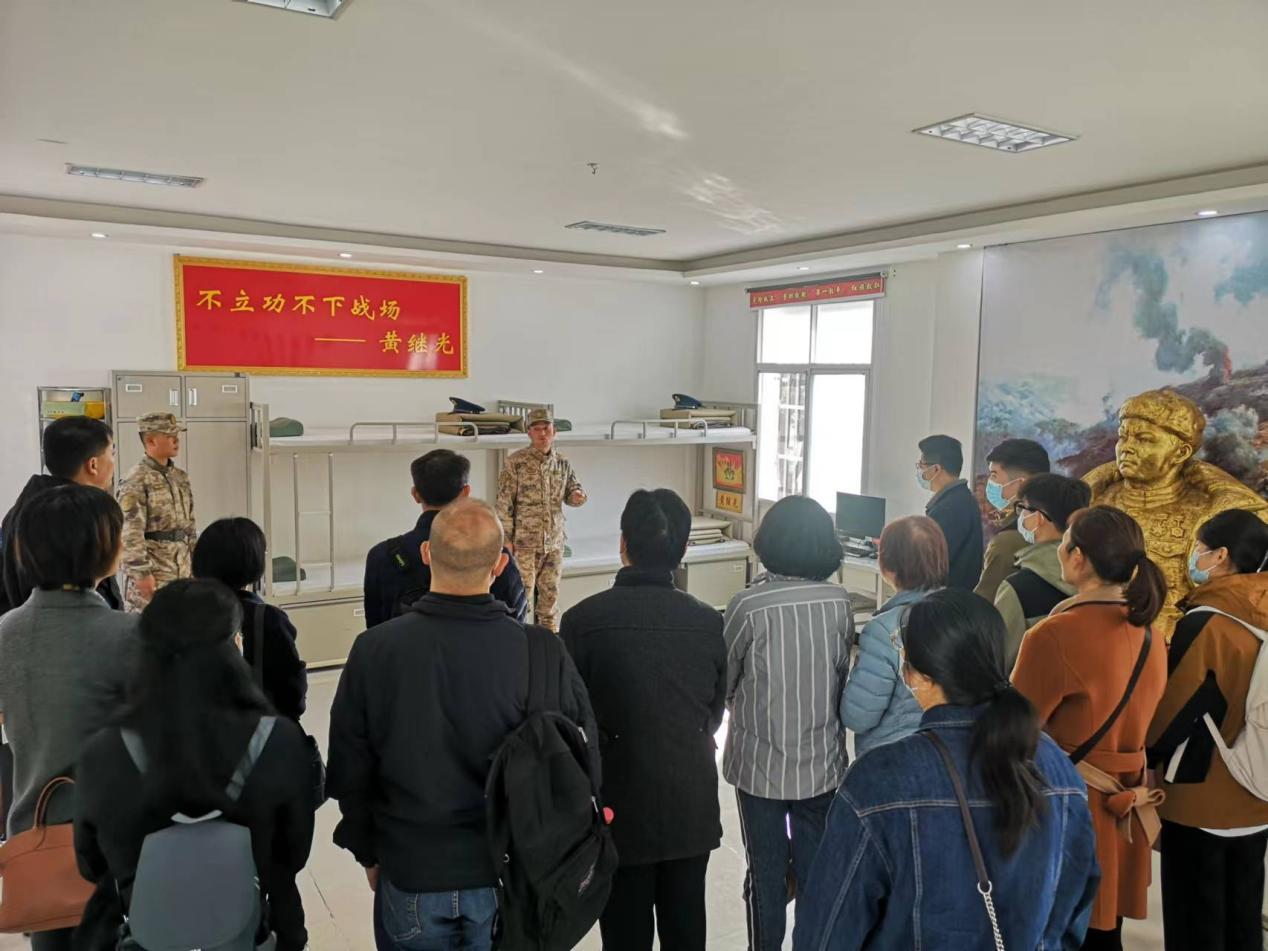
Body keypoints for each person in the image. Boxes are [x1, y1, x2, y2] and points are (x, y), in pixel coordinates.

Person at [327, 499, 598, 951]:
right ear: (501, 565)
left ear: (426, 554)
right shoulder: (541, 651)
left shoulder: (374, 650)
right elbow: (580, 760)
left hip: (411, 870)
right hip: (508, 875)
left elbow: (349, 767)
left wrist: (368, 852)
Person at [794, 590, 1099, 950]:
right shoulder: (1058, 769)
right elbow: (1073, 909)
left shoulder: (878, 781)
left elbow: (828, 932)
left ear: (920, 676)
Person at [74, 580, 315, 951]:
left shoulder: (104, 751)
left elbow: (90, 864)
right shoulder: (277, 741)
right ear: (233, 647)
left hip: (145, 938)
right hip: (249, 935)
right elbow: (293, 855)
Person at [561, 489, 726, 951]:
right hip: (690, 803)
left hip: (617, 805)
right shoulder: (708, 622)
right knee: (687, 930)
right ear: (684, 548)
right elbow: (714, 712)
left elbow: (569, 721)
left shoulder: (581, 622)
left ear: (622, 543)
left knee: (624, 934)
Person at [1012, 506, 1168, 951]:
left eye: (1064, 543)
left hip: (1070, 802)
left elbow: (1015, 731)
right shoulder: (1152, 634)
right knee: (1105, 931)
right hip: (1126, 799)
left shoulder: (1055, 634)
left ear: (1078, 557)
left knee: (1063, 929)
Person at [0, 486, 139, 951]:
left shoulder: (5, 633)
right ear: (101, 548)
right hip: (115, 843)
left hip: (34, 838)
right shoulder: (129, 635)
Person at [723, 495, 852, 951]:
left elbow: (726, 679)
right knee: (817, 874)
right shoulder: (839, 603)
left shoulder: (747, 605)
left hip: (759, 765)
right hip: (821, 763)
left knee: (766, 874)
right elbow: (840, 674)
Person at [1146, 510, 1268, 951]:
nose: (1193, 556)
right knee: (1243, 918)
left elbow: (1175, 708)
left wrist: (1147, 755)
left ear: (1221, 555)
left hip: (1201, 793)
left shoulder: (1209, 622)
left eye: (1199, 547)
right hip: (1257, 791)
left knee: (1196, 923)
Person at [1084, 388, 1268, 636]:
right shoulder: (1095, 501)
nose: (1127, 448)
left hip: (1180, 642)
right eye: (1123, 437)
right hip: (1097, 635)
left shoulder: (1209, 512)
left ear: (1180, 452)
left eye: (1144, 439)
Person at [364, 448, 527, 627]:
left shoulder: (382, 557)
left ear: (416, 494)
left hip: (403, 645)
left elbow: (375, 628)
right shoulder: (494, 555)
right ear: (465, 492)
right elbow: (516, 623)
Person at [840, 515, 947, 757]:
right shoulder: (963, 612)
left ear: (886, 565)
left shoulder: (885, 630)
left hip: (896, 758)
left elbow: (858, 716)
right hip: (952, 754)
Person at [1, 415, 120, 614]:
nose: (114, 462)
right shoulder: (71, 518)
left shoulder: (29, 506)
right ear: (93, 465)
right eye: (111, 453)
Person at [193, 517, 308, 722]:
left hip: (194, 730)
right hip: (257, 728)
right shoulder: (268, 619)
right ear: (255, 563)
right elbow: (292, 695)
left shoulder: (183, 613)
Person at [496, 408, 587, 631]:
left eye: (546, 428)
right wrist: (506, 540)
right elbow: (503, 504)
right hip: (524, 544)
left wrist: (578, 496)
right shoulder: (516, 462)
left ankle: (548, 645)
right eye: (536, 429)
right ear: (529, 433)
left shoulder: (562, 462)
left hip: (554, 543)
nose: (542, 433)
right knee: (520, 600)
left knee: (549, 602)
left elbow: (572, 490)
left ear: (554, 431)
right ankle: (517, 643)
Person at [993, 474, 1091, 670]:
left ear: (1038, 518)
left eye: (1022, 508)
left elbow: (999, 665)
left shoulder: (1017, 590)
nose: (1020, 516)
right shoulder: (1105, 579)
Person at [117, 412, 197, 613]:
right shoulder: (136, 480)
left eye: (177, 435)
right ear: (151, 441)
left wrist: (196, 564)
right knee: (147, 627)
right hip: (154, 571)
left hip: (182, 570)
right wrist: (141, 574)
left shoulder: (180, 477)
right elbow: (130, 533)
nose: (176, 440)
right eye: (169, 436)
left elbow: (190, 526)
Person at [975, 437, 1051, 601]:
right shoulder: (1058, 525)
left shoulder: (1008, 542)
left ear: (1020, 484)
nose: (989, 483)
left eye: (994, 476)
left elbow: (984, 604)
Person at [917, 434, 984, 590]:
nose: (919, 471)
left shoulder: (950, 509)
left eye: (921, 465)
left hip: (944, 596)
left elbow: (931, 564)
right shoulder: (961, 499)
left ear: (936, 469)